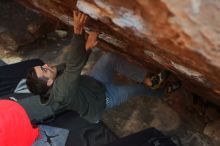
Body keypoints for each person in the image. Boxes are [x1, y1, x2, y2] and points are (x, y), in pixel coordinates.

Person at [26, 10, 181, 123]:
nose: (46, 65)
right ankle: (161, 92)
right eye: (44, 70)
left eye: (43, 66)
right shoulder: (61, 93)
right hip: (104, 99)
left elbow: (73, 65)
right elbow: (74, 66)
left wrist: (87, 47)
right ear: (49, 83)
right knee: (136, 89)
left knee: (110, 58)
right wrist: (78, 31)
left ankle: (148, 79)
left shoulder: (53, 76)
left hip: (94, 83)